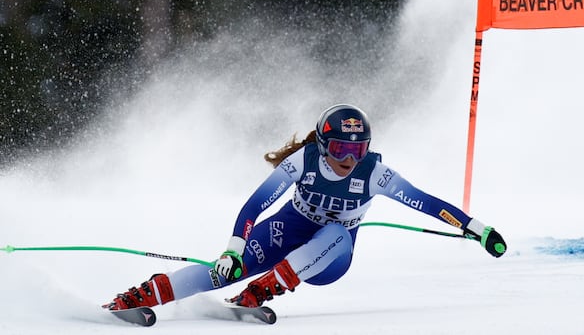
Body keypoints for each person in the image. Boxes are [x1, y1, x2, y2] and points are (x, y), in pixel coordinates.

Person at [102, 103, 506, 311]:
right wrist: (232, 250)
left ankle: (268, 287)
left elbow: (428, 203)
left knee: (334, 232)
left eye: (358, 149)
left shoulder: (375, 173)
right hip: (288, 230)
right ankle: (142, 295)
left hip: (330, 257)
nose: (349, 159)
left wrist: (479, 229)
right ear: (322, 144)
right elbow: (254, 205)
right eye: (340, 149)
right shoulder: (303, 161)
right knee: (225, 271)